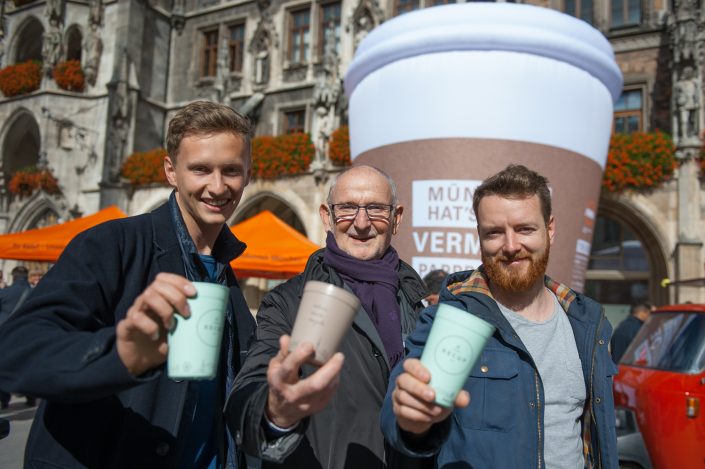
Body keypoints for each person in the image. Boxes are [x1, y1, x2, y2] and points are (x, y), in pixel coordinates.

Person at [0, 101, 257, 468]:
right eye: (201, 169)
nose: (217, 186)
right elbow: (16, 347)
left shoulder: (226, 276)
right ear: (171, 171)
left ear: (248, 174)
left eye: (231, 170)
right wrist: (120, 354)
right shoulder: (111, 244)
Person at [382, 164, 618, 468]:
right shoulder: (455, 318)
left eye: (524, 229)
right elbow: (402, 404)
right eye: (494, 233)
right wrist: (410, 418)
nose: (510, 246)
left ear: (550, 229)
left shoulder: (586, 322)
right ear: (479, 238)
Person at [226, 165, 430, 468]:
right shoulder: (288, 302)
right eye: (347, 208)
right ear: (327, 216)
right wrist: (275, 411)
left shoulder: (420, 304)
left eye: (375, 208)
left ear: (396, 218)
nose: (361, 223)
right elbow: (248, 391)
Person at [0, 266, 31, 409]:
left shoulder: (5, 293)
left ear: (13, 276)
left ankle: (4, 398)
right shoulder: (35, 292)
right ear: (26, 276)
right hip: (27, 333)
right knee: (28, 364)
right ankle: (31, 395)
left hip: (5, 333)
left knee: (4, 365)